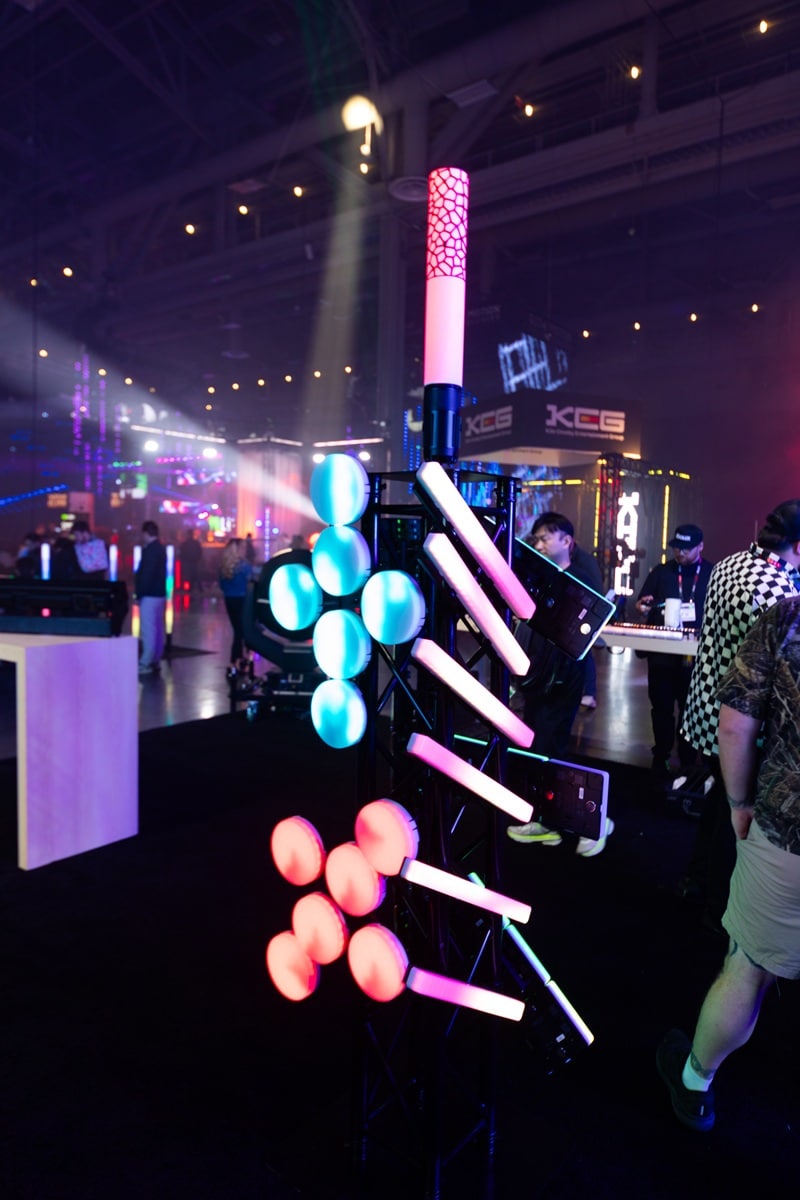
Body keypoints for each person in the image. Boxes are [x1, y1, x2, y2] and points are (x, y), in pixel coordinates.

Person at [657, 593, 800, 1132]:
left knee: (747, 968)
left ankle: (695, 1083)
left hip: (788, 834)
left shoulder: (790, 615)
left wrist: (738, 803)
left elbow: (736, 725)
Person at [678, 500, 800, 926]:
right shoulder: (779, 593)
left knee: (718, 803)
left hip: (707, 711)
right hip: (741, 724)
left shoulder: (730, 564)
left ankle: (696, 882)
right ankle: (719, 907)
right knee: (739, 817)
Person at [507, 513, 612, 856]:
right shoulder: (543, 577)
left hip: (563, 677)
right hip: (537, 675)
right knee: (541, 747)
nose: (538, 544)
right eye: (536, 539)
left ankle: (593, 821)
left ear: (566, 541)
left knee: (552, 747)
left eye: (545, 538)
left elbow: (581, 636)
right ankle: (550, 821)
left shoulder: (580, 580)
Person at [634, 524, 714, 776]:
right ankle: (661, 756)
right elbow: (642, 602)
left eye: (686, 548)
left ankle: (688, 760)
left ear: (700, 546)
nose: (680, 552)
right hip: (662, 654)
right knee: (661, 708)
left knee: (691, 709)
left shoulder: (712, 573)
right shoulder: (661, 571)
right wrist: (643, 607)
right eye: (677, 547)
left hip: (697, 655)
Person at [135, 520, 167, 676]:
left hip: (149, 595)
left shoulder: (149, 550)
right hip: (159, 594)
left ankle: (146, 662)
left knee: (148, 629)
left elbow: (146, 574)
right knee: (158, 628)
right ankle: (155, 659)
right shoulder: (161, 548)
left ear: (145, 533)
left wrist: (139, 593)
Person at [218, 537, 254, 674]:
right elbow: (252, 582)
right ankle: (242, 658)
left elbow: (222, 585)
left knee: (237, 630)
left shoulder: (224, 567)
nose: (245, 550)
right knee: (245, 630)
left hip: (229, 600)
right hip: (243, 600)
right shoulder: (244, 566)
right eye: (243, 547)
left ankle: (236, 660)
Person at [179, 528, 203, 594]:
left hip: (187, 562)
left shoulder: (185, 544)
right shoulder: (196, 543)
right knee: (195, 575)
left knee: (187, 576)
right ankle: (199, 588)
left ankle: (188, 588)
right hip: (194, 561)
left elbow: (181, 553)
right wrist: (197, 559)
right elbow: (200, 552)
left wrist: (183, 560)